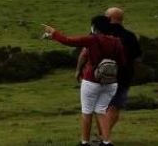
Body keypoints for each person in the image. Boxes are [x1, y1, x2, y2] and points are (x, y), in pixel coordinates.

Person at [43, 15, 126, 146]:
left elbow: (68, 41)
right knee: (102, 110)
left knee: (87, 112)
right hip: (110, 82)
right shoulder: (117, 41)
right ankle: (106, 141)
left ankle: (84, 142)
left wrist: (54, 33)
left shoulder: (91, 40)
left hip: (91, 81)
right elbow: (122, 62)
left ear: (94, 27)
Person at [103, 6, 142, 139]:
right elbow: (137, 58)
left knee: (100, 108)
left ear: (109, 18)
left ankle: (102, 137)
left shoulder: (100, 34)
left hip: (100, 76)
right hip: (123, 77)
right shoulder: (130, 36)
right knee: (114, 107)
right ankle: (104, 136)